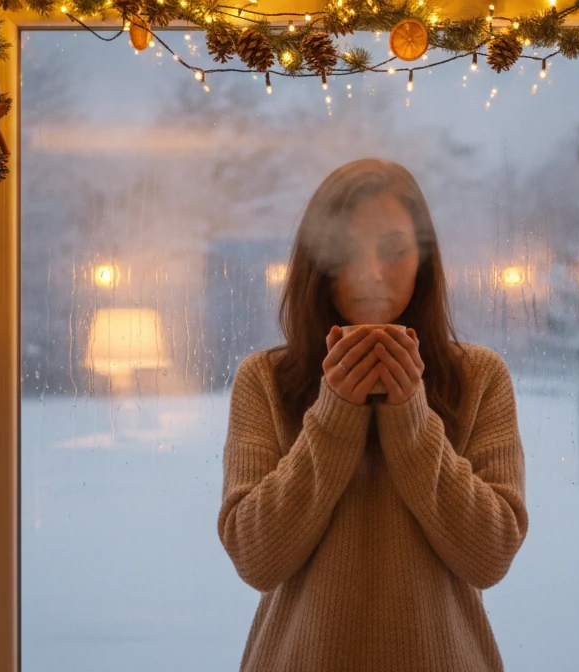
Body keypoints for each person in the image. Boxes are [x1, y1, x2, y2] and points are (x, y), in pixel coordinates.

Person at [217, 158, 529, 671]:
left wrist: (411, 418)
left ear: (423, 261)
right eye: (344, 251)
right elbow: (256, 559)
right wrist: (334, 415)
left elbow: (490, 556)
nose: (369, 273)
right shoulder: (265, 380)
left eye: (393, 250)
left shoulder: (478, 377)